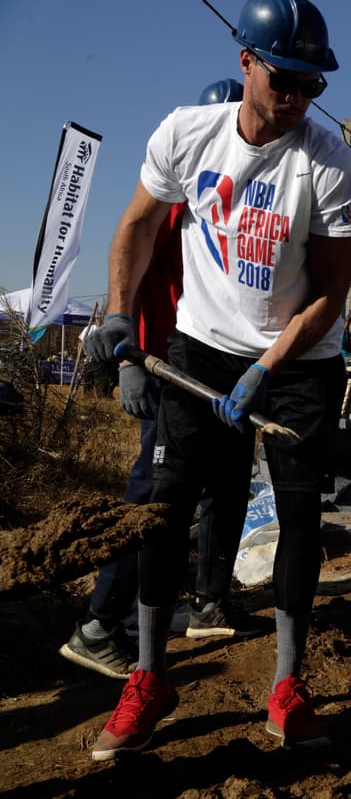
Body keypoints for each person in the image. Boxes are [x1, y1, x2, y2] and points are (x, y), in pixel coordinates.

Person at [83, 0, 351, 759]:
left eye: (313, 85)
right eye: (286, 80)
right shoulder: (187, 133)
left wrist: (266, 369)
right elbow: (137, 224)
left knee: (301, 514)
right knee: (164, 507)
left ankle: (287, 681)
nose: (300, 98)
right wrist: (118, 315)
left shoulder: (330, 164)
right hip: (200, 344)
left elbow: (331, 296)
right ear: (246, 61)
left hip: (298, 356)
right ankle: (146, 674)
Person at [59, 79, 260, 682]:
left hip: (213, 371)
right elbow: (137, 275)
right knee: (154, 498)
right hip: (165, 366)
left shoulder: (237, 201)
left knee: (225, 485)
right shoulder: (180, 191)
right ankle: (99, 625)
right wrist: (127, 360)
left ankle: (207, 601)